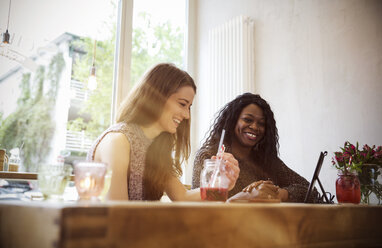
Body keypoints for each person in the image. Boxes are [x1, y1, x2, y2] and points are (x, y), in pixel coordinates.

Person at [87, 63, 239, 201]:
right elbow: (117, 215)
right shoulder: (118, 142)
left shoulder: (155, 148)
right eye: (182, 104)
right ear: (156, 96)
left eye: (189, 107)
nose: (186, 115)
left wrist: (222, 185)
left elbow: (182, 197)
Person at [192, 93, 316, 202]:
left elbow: (310, 190)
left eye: (261, 124)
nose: (255, 127)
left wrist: (278, 194)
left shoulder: (265, 160)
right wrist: (248, 196)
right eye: (248, 120)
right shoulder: (209, 157)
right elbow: (202, 206)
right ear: (233, 121)